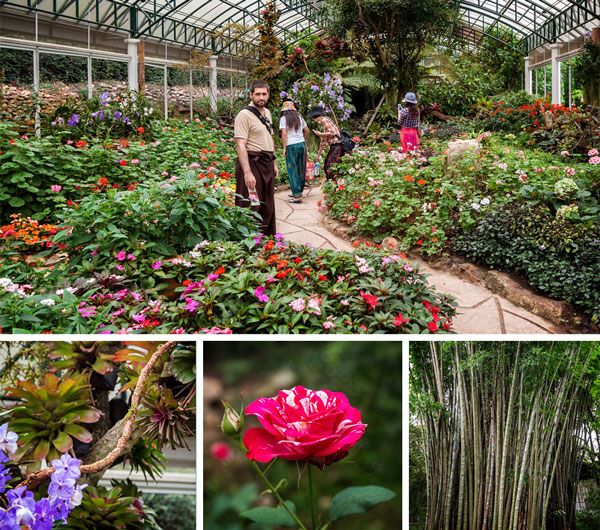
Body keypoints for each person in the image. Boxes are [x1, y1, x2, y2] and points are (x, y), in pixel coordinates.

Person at [234, 80, 278, 236]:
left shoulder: (267, 113)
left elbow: (270, 139)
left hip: (266, 162)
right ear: (251, 95)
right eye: (257, 94)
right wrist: (247, 172)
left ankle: (266, 238)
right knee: (251, 202)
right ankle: (249, 238)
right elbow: (241, 145)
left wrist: (274, 163)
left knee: (268, 203)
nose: (261, 97)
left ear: (268, 95)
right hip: (252, 163)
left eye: (264, 94)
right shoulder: (244, 115)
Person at [279, 101, 310, 203]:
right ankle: (298, 190)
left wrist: (284, 148)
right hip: (301, 144)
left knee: (292, 169)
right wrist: (304, 140)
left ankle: (297, 196)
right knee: (301, 167)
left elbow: (284, 134)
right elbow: (307, 131)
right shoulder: (299, 117)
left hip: (291, 145)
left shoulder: (284, 119)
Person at [307, 106, 343, 180]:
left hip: (337, 145)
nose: (314, 120)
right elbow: (323, 142)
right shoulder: (325, 121)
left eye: (313, 118)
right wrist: (318, 155)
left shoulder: (324, 120)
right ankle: (333, 182)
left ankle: (334, 182)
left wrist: (320, 134)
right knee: (329, 164)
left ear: (316, 117)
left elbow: (333, 132)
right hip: (335, 145)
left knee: (331, 165)